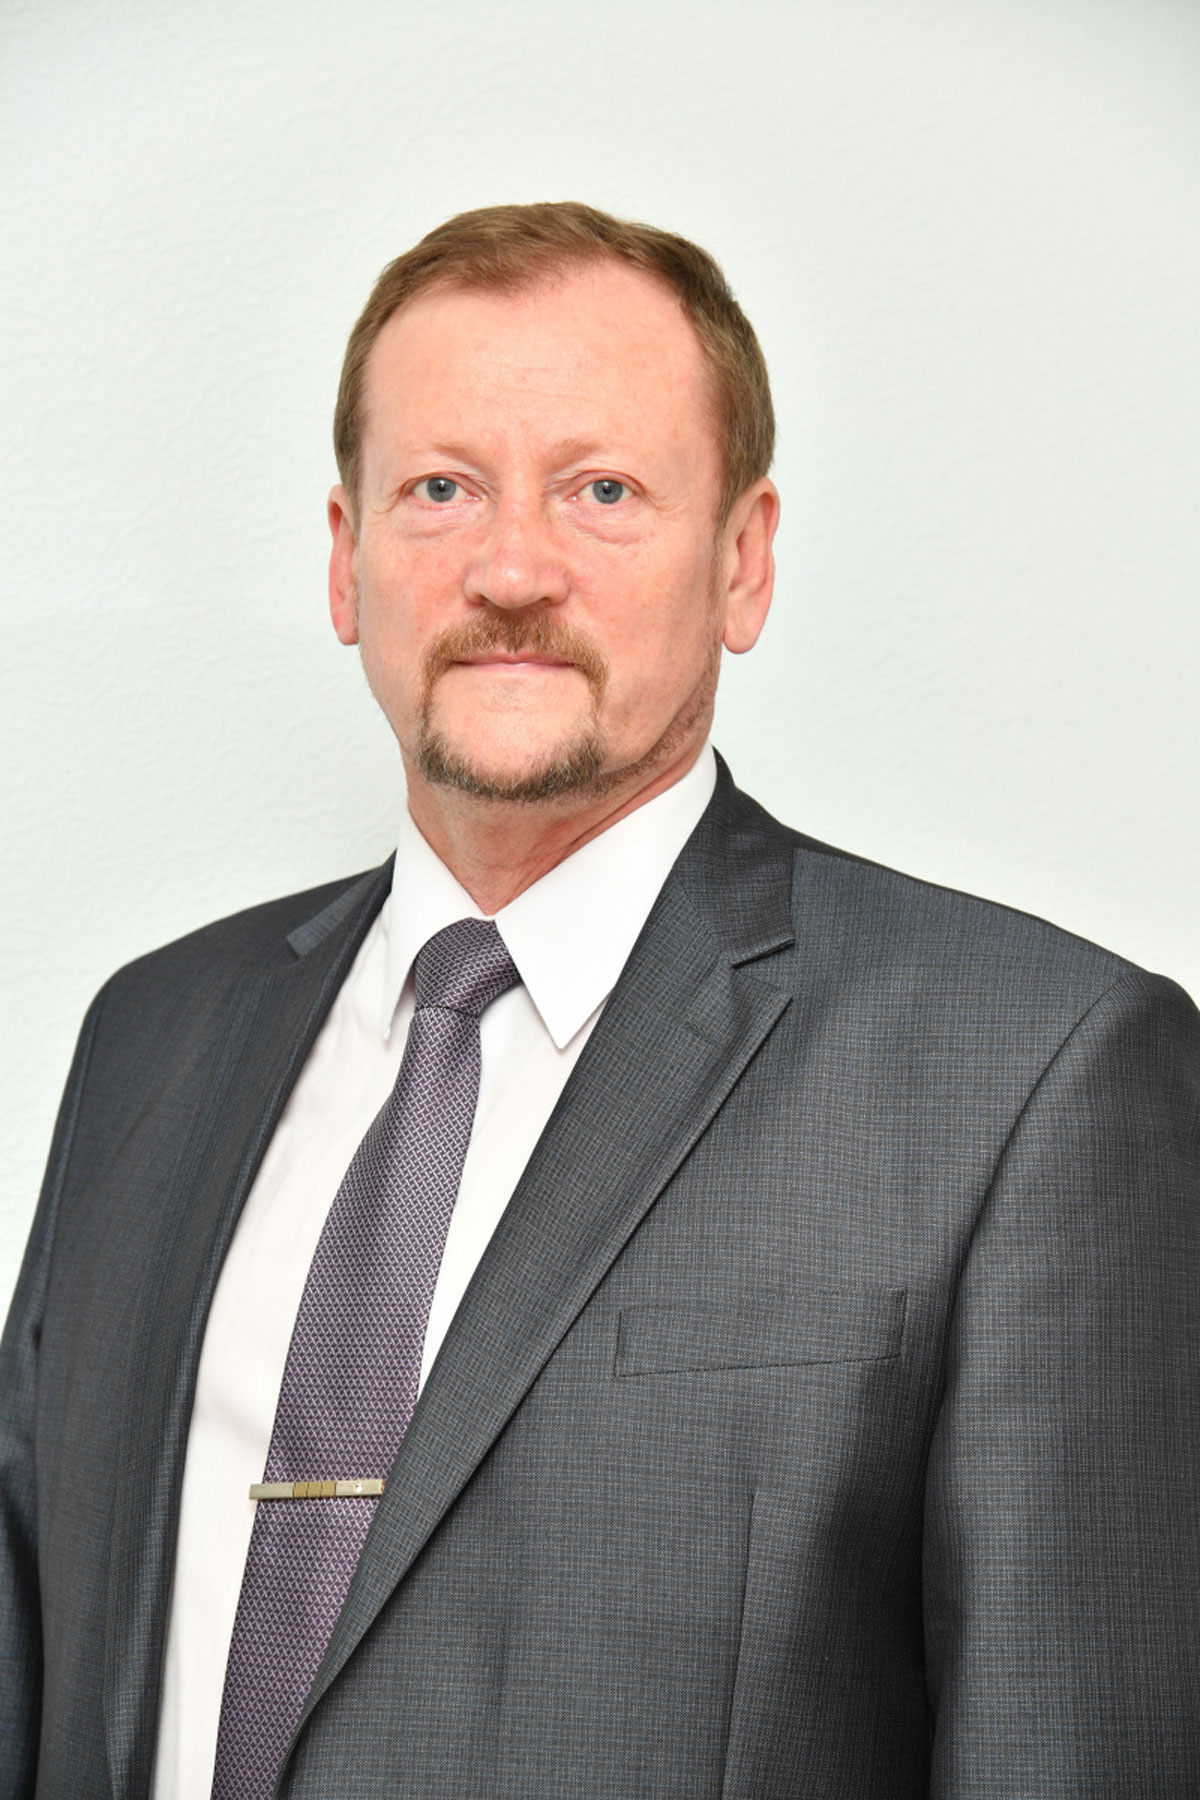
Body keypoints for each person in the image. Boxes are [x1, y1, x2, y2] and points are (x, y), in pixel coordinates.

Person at [1, 201, 1196, 1800]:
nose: (511, 569)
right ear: (347, 560)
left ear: (743, 563)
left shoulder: (1033, 1077)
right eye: (440, 489)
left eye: (603, 491)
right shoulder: (150, 1039)